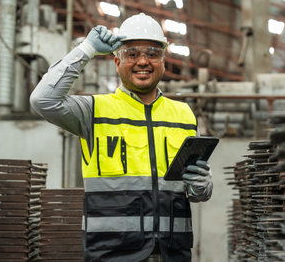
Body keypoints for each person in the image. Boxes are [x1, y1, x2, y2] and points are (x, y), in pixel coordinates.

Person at [30, 13, 213, 262]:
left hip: (173, 254)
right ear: (117, 61)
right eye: (132, 54)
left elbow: (193, 192)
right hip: (111, 254)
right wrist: (87, 49)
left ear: (163, 61)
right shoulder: (94, 111)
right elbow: (43, 100)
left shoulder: (184, 115)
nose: (143, 62)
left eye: (152, 53)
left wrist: (202, 187)